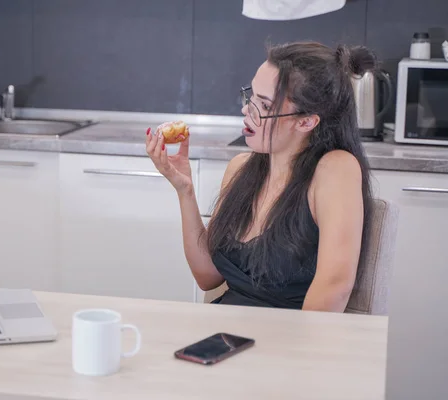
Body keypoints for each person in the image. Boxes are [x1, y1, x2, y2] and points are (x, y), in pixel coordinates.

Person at [145, 41, 375, 312]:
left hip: (288, 339)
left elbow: (335, 286)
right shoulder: (241, 168)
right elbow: (207, 277)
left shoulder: (335, 169)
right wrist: (185, 190)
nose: (246, 110)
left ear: (306, 122)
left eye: (264, 106)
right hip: (226, 333)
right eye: (251, 96)